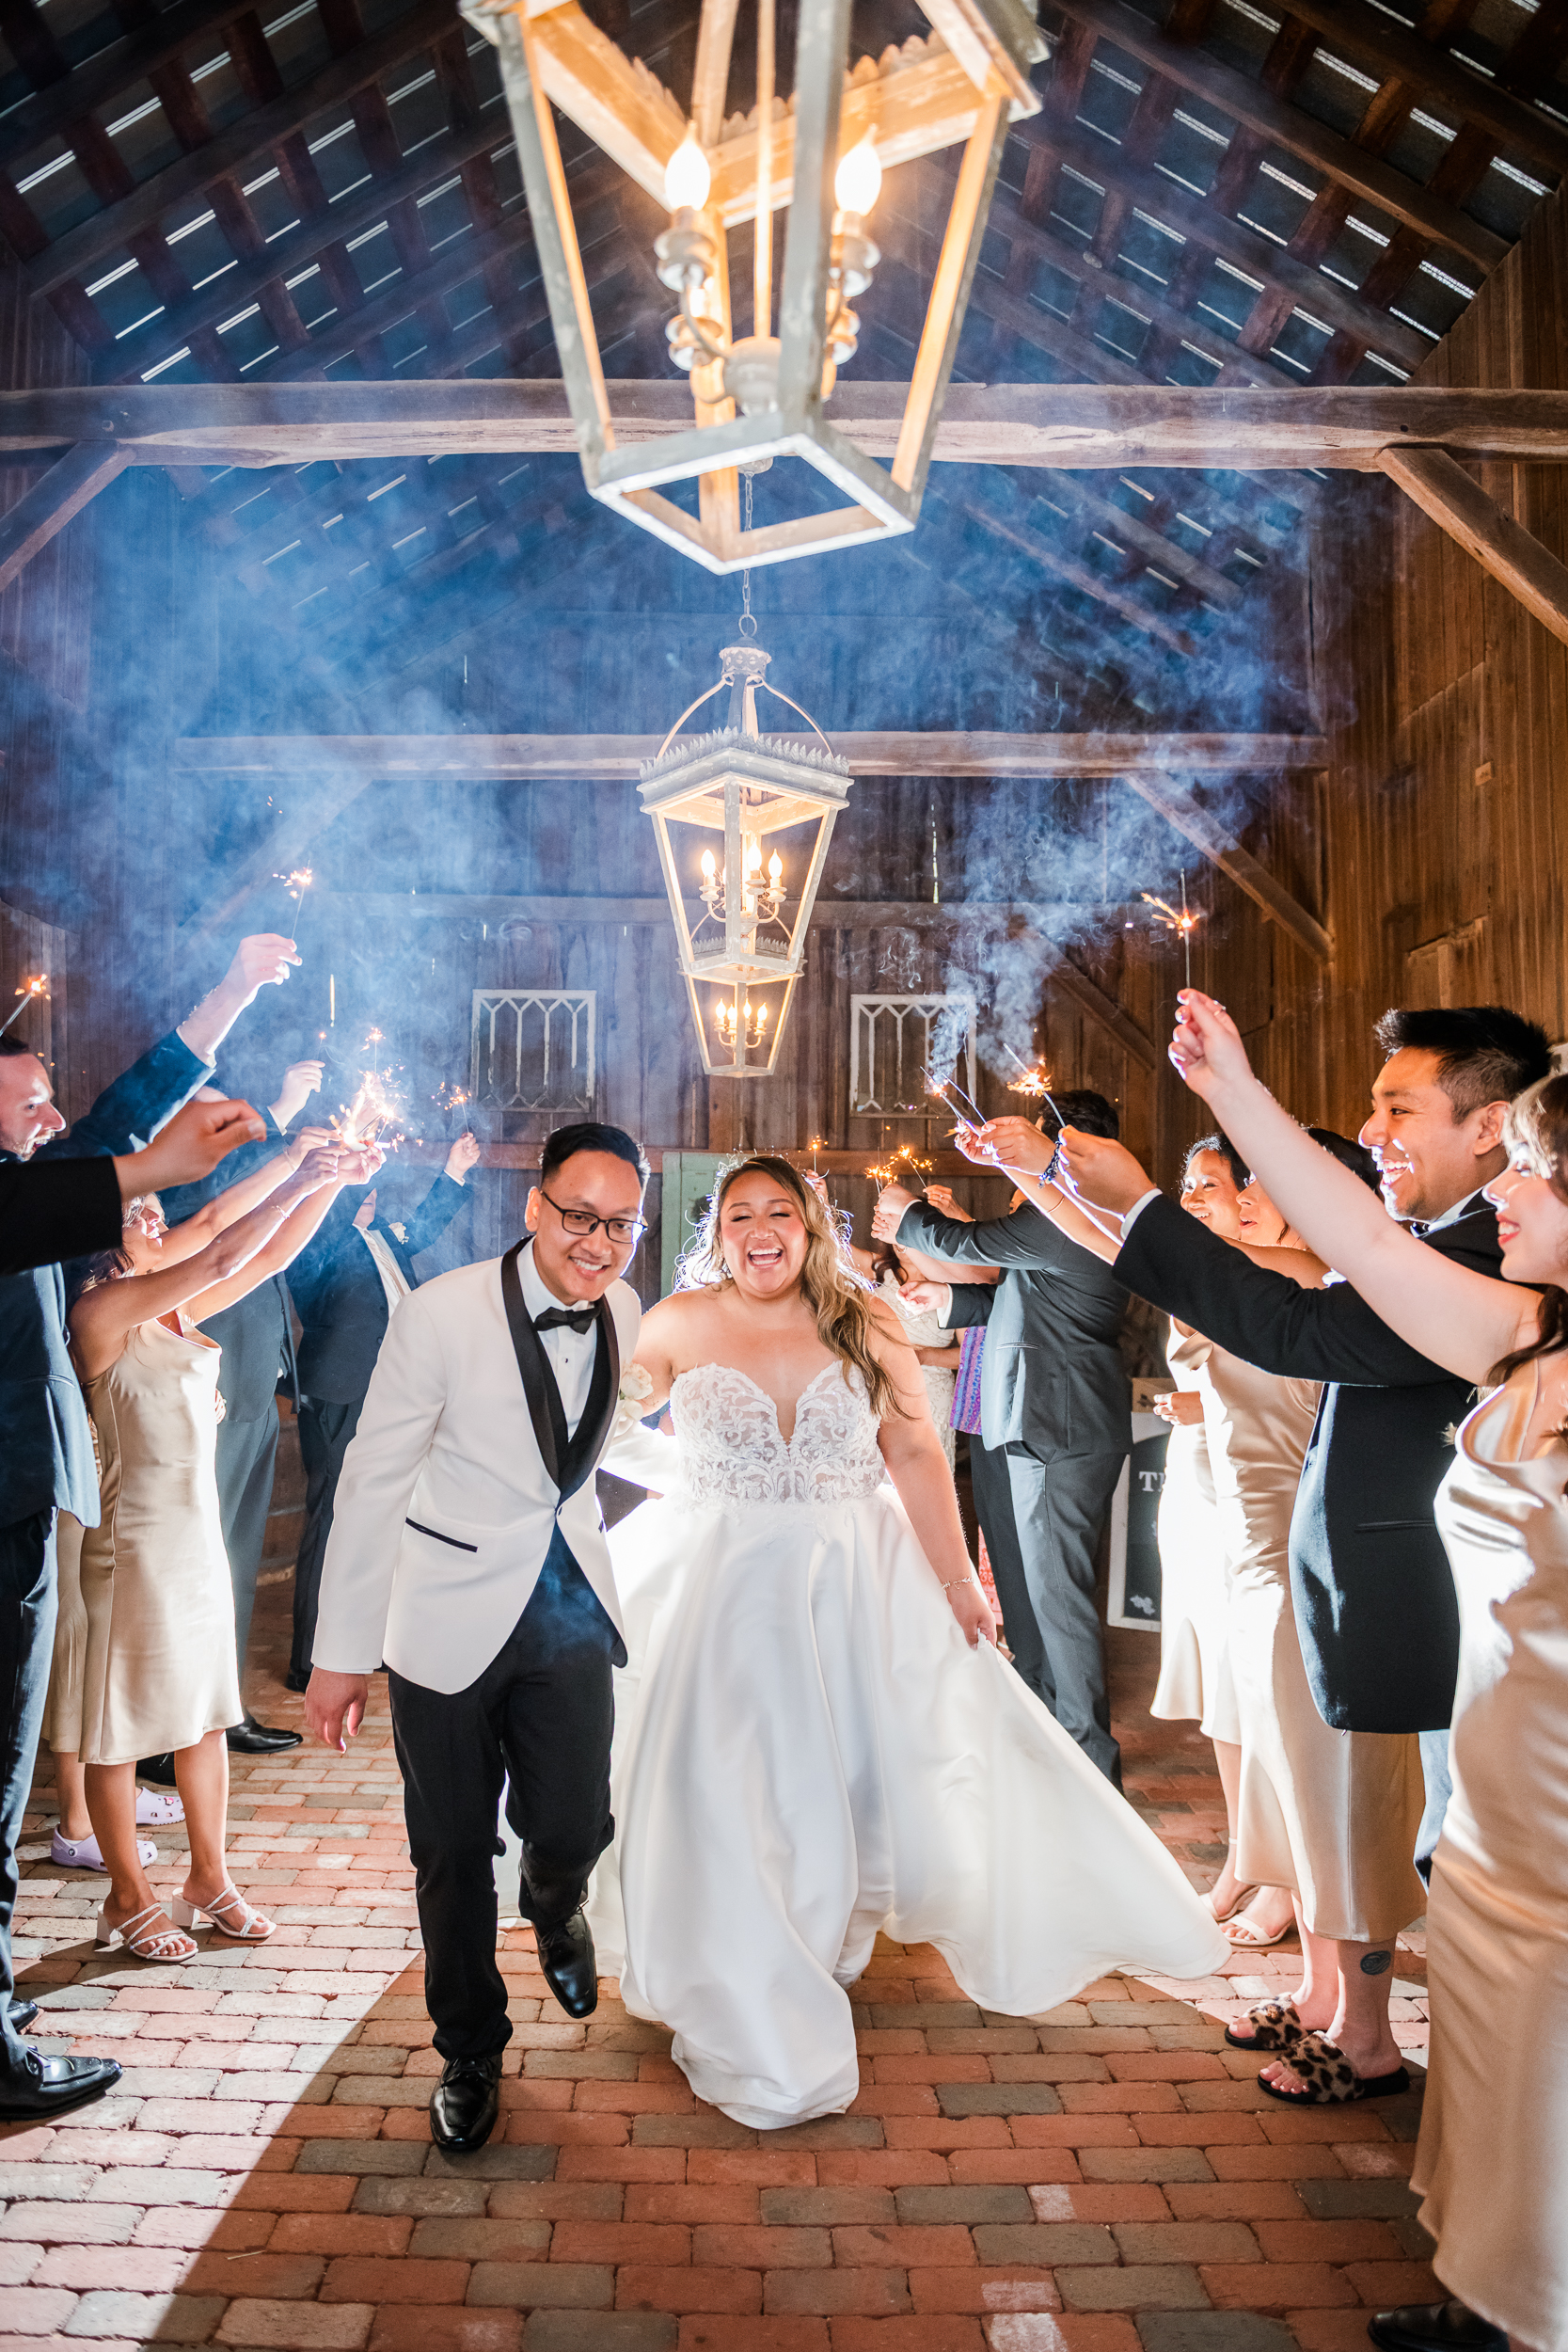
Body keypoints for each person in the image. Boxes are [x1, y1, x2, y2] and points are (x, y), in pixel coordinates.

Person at [586, 1153, 1227, 2130]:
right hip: (721, 1577)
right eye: (739, 1214)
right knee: (726, 1770)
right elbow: (605, 1425)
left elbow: (915, 1450)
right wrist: (696, 1479)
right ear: (718, 1233)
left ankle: (820, 1933)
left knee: (846, 1769)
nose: (760, 1229)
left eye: (779, 1213)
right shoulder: (674, 1322)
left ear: (808, 1226)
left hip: (853, 1573)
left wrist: (957, 1582)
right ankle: (733, 1951)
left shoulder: (865, 1316)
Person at [1140, 987, 1568, 2352]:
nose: (1512, 1196)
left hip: (1551, 1759)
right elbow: (1355, 1246)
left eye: (1539, 1177)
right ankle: (1499, 2290)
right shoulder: (1520, 1332)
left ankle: (1531, 2304)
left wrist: (1234, 1101)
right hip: (1496, 1751)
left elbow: (1334, 1276)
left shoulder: (1500, 1313)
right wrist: (1226, 1095)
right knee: (1499, 2036)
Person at [1048, 1011, 1552, 1878]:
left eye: (1398, 1108)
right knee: (1457, 1861)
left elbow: (1313, 1296)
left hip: (1517, 1676)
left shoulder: (1500, 1281)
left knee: (1475, 1867)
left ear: (1489, 1126)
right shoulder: (1480, 1263)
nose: (1369, 1132)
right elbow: (1344, 1247)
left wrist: (1208, 1124)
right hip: (1466, 1646)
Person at [304, 1121, 650, 2158]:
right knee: (451, 1850)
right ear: (533, 1207)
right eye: (579, 1217)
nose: (598, 1242)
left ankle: (555, 1903)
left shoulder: (627, 1308)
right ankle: (469, 2048)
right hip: (443, 1613)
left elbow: (589, 1458)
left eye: (619, 1225)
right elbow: (369, 1479)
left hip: (569, 1606)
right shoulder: (438, 1312)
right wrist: (339, 1651)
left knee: (575, 1819)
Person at [0, 931, 299, 2123]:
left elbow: (129, 1146)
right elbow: (144, 1171)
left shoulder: (39, 1203)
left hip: (37, 1507)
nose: (54, 1113)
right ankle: (111, 1903)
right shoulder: (81, 1264)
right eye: (30, 1097)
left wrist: (230, 1000)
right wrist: (164, 1162)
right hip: (53, 1512)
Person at [65, 1145, 362, 1962]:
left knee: (204, 1719)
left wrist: (332, 1181)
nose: (154, 1215)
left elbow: (265, 1256)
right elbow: (226, 1245)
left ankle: (208, 1878)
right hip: (132, 1548)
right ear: (96, 1236)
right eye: (135, 1212)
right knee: (121, 1728)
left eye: (153, 1206)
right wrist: (302, 1173)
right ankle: (127, 1898)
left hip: (192, 1542)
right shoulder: (102, 1314)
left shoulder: (174, 1312)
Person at [875, 1089, 1132, 1782]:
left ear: (1065, 1148)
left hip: (1059, 1422)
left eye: (1033, 1145)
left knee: (1058, 1597)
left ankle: (1086, 1757)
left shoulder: (1075, 1213)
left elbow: (967, 1243)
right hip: (1043, 1420)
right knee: (1033, 1588)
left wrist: (908, 1217)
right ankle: (1049, 1724)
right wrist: (948, 1300)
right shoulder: (1066, 1219)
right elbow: (1019, 1295)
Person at [159, 1057, 329, 1759]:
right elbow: (220, 1227)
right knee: (195, 1561)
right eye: (216, 1117)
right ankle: (170, 1728)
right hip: (207, 1392)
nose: (229, 1127)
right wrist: (286, 1126)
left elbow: (272, 1249)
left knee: (234, 1556)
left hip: (254, 1387)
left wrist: (325, 1175)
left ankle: (220, 1710)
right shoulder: (173, 1179)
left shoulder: (239, 1173)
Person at [284, 1132, 481, 1690]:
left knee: (381, 1521)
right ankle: (309, 1661)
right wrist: (349, 1173)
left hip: (390, 1397)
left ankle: (370, 1642)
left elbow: (423, 1224)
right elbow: (334, 1214)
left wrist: (454, 1167)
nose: (368, 1197)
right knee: (331, 1522)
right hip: (341, 1393)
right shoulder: (313, 1248)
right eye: (358, 1191)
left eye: (370, 1191)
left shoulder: (383, 1239)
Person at [1148, 1137, 1247, 1925]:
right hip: (1192, 1478)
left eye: (1207, 1184)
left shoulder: (1278, 1275)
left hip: (1246, 1485)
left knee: (1248, 1679)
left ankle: (1273, 1869)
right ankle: (1249, 1855)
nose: (1192, 1197)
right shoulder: (1195, 1272)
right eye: (1187, 1184)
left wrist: (1202, 1408)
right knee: (1217, 1683)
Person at [0, 1095, 265, 1274]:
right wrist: (160, 1166)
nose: (59, 1121)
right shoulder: (97, 1304)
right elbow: (211, 1230)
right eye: (31, 1105)